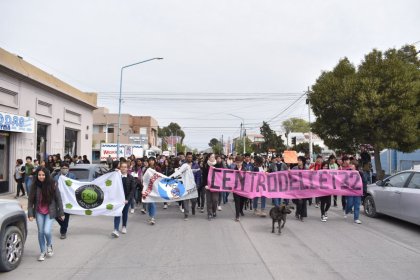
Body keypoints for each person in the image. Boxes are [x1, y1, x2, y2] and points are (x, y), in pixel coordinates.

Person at [28, 167, 65, 261]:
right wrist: (30, 213)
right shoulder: (34, 185)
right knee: (40, 232)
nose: (41, 177)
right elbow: (30, 200)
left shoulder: (53, 184)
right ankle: (42, 252)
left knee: (46, 231)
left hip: (50, 211)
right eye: (39, 175)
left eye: (43, 175)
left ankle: (49, 245)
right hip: (39, 212)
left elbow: (58, 199)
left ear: (46, 175)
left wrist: (61, 212)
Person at [170, 152, 199, 221]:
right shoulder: (183, 166)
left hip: (193, 186)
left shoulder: (196, 165)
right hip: (185, 185)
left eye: (191, 157)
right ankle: (186, 214)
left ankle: (193, 208)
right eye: (188, 157)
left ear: (192, 158)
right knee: (185, 200)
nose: (189, 158)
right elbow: (179, 173)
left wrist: (198, 184)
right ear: (186, 157)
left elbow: (198, 175)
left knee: (194, 200)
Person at [112, 161, 136, 237]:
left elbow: (132, 190)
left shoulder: (131, 178)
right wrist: (113, 171)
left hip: (126, 199)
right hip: (118, 199)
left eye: (125, 167)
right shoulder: (116, 176)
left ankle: (124, 226)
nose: (123, 168)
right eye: (122, 167)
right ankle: (115, 229)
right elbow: (107, 176)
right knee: (117, 213)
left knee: (124, 213)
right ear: (120, 168)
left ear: (127, 168)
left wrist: (127, 199)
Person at [53, 163, 76, 239]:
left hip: (68, 200)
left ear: (68, 169)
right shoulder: (56, 177)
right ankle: (63, 226)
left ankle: (63, 232)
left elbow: (75, 186)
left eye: (66, 168)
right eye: (63, 168)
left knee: (66, 217)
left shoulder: (72, 176)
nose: (64, 169)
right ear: (60, 169)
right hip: (58, 199)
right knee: (55, 215)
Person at [202, 153, 218, 220]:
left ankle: (214, 211)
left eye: (214, 157)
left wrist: (216, 170)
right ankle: (209, 213)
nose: (213, 158)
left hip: (216, 186)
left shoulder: (218, 165)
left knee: (215, 200)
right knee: (209, 200)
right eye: (211, 157)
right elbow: (204, 176)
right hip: (208, 186)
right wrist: (205, 184)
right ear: (208, 158)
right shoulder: (205, 166)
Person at [292, 156, 308, 221]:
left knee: (304, 202)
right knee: (299, 202)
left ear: (303, 162)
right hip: (297, 188)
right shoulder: (294, 168)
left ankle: (302, 215)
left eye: (300, 160)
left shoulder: (306, 169)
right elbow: (290, 177)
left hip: (304, 189)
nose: (298, 162)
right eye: (298, 160)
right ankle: (298, 212)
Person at [232, 156, 247, 221]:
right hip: (235, 189)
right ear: (235, 163)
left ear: (242, 162)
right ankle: (237, 215)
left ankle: (241, 210)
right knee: (237, 202)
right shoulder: (233, 170)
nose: (238, 164)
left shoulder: (245, 169)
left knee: (242, 201)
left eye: (239, 162)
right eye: (237, 162)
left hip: (243, 189)